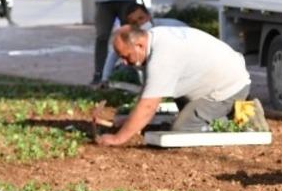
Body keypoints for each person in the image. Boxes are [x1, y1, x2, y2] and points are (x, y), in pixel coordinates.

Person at [97, 24, 251, 146]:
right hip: (214, 81)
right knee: (179, 121)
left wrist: (118, 138)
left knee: (181, 130)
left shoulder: (162, 56)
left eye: (126, 56)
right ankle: (208, 115)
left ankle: (235, 118)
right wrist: (131, 121)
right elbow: (148, 92)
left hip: (228, 89)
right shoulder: (154, 37)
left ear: (139, 45)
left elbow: (148, 106)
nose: (124, 62)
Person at [98, 2, 187, 87]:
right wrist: (105, 78)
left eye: (141, 18)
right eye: (134, 22)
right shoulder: (134, 35)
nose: (140, 24)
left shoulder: (171, 26)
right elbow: (114, 54)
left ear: (148, 16)